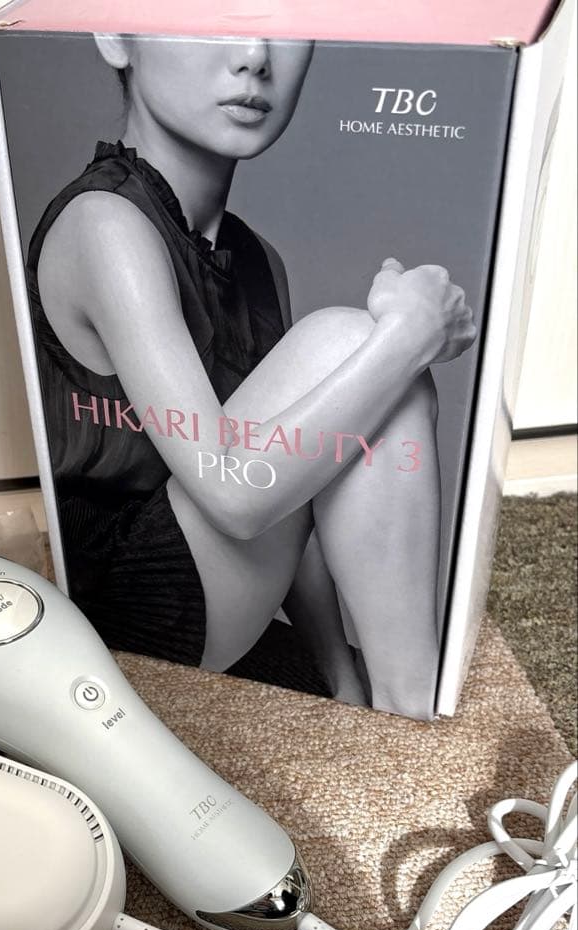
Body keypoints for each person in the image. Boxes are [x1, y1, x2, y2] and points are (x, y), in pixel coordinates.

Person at [27, 36, 477, 719]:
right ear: (116, 38)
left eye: (284, 20)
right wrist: (409, 336)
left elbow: (294, 491)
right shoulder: (105, 223)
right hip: (118, 614)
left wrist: (337, 680)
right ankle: (412, 707)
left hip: (209, 586)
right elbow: (236, 497)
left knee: (372, 371)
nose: (254, 55)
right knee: (358, 344)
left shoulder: (252, 256)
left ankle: (393, 707)